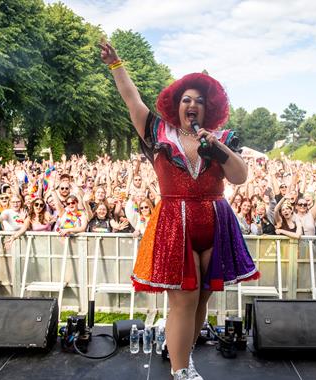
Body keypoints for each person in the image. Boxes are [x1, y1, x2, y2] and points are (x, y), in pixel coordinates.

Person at [101, 41, 259, 380]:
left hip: (215, 221)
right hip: (176, 223)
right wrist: (117, 66)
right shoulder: (158, 130)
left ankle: (183, 355)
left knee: (202, 300)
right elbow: (132, 99)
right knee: (183, 300)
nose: (192, 104)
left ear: (208, 108)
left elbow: (240, 177)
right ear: (177, 104)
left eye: (199, 100)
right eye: (186, 99)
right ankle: (179, 369)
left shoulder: (222, 138)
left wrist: (217, 148)